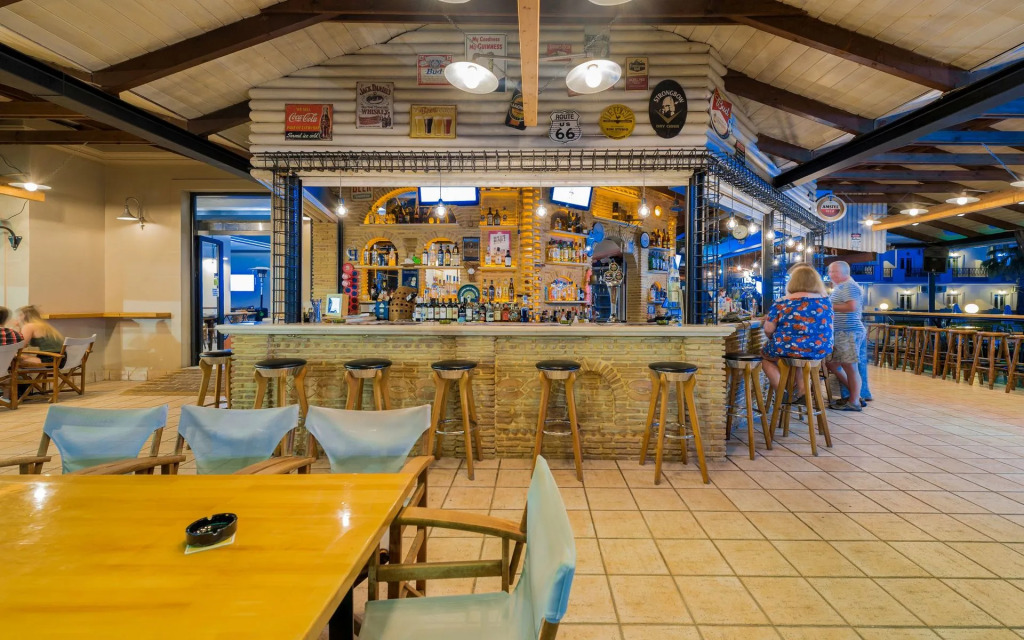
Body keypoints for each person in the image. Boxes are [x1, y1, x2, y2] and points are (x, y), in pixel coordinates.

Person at [761, 265, 834, 401]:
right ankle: (802, 392)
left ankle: (781, 392)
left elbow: (768, 329)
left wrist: (773, 338)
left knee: (765, 358)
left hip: (790, 348)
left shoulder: (782, 302)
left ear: (792, 282)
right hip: (820, 349)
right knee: (800, 356)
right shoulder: (826, 302)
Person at [826, 261, 866, 411]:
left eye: (834, 272)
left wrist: (827, 306)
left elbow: (852, 306)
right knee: (832, 364)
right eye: (830, 271)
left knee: (850, 366)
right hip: (842, 332)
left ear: (845, 272)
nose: (831, 275)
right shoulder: (842, 287)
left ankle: (854, 402)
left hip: (848, 331)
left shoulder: (849, 286)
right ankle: (856, 395)